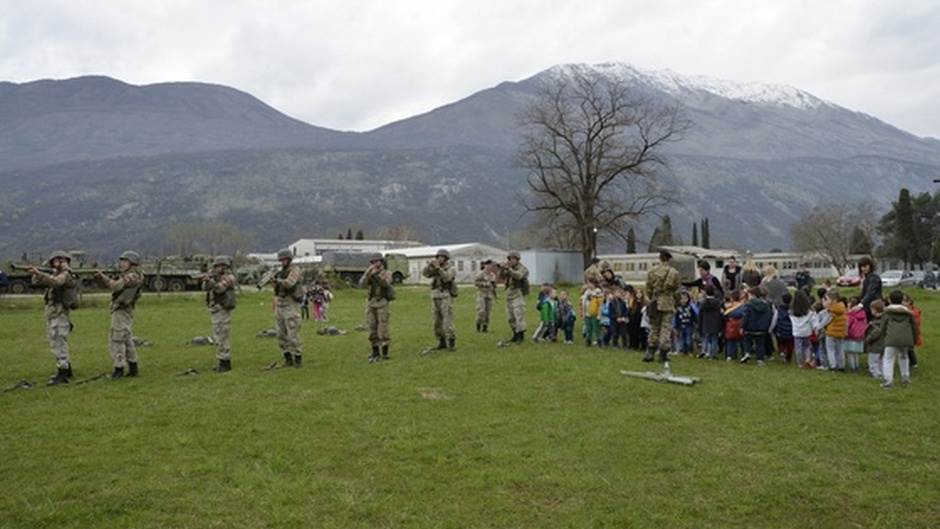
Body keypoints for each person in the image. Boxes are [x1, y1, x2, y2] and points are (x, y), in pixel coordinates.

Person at [29, 251, 78, 385]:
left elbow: (56, 283)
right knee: (57, 340)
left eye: (60, 261)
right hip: (54, 311)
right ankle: (66, 369)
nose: (57, 263)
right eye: (55, 261)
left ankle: (62, 373)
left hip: (60, 311)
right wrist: (37, 273)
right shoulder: (56, 273)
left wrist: (40, 273)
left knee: (58, 341)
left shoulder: (66, 274)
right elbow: (36, 283)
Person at [94, 251, 145, 379]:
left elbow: (115, 286)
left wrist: (102, 277)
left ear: (132, 263)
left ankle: (119, 368)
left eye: (125, 261)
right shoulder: (132, 275)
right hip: (124, 310)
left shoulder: (131, 276)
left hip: (122, 310)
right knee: (127, 339)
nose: (121, 264)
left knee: (117, 339)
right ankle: (133, 367)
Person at [644, 250, 681, 363]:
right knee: (666, 328)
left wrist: (652, 299)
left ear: (659, 258)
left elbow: (648, 288)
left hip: (655, 301)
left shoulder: (652, 271)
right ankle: (663, 354)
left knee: (654, 327)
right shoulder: (674, 272)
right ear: (669, 259)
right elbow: (677, 291)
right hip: (668, 302)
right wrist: (677, 302)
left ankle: (650, 352)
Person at [202, 255, 237, 372]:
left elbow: (219, 289)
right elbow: (205, 288)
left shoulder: (230, 277)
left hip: (223, 308)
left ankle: (225, 363)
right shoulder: (214, 276)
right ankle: (221, 361)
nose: (219, 268)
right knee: (217, 336)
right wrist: (206, 280)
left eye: (222, 266)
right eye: (217, 266)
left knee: (222, 335)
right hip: (214, 309)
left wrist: (211, 281)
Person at [271, 248, 304, 367]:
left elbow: (290, 283)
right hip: (280, 303)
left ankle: (297, 357)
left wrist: (277, 280)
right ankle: (287, 357)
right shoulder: (280, 271)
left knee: (293, 332)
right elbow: (276, 288)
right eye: (281, 260)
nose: (283, 262)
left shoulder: (295, 270)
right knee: (280, 333)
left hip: (290, 304)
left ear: (289, 259)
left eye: (285, 259)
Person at [359, 253, 393, 363]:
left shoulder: (387, 273)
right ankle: (375, 351)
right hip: (371, 303)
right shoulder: (369, 273)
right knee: (372, 327)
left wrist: (375, 276)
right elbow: (361, 284)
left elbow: (385, 284)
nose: (374, 264)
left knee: (383, 327)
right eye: (372, 262)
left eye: (376, 261)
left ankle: (385, 352)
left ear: (381, 262)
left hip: (382, 302)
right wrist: (367, 273)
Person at [880, 290, 918, 388]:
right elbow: (914, 326)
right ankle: (905, 379)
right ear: (902, 300)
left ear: (889, 300)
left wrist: (884, 337)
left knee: (888, 359)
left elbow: (883, 327)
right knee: (904, 357)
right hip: (906, 338)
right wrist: (914, 339)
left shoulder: (887, 313)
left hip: (891, 338)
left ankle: (888, 382)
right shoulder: (909, 313)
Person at [422, 249, 458, 351]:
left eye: (441, 257)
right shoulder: (435, 268)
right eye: (438, 257)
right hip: (435, 296)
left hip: (446, 296)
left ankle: (451, 342)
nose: (439, 259)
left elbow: (447, 278)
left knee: (447, 320)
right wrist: (429, 266)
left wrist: (439, 269)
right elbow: (425, 274)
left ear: (446, 258)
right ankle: (441, 341)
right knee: (436, 321)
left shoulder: (451, 268)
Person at [499, 251, 529, 344]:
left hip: (518, 293)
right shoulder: (509, 268)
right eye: (509, 259)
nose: (510, 261)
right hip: (509, 293)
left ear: (517, 259)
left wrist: (509, 269)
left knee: (518, 314)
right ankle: (515, 335)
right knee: (510, 316)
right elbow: (501, 277)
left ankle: (521, 336)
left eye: (512, 259)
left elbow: (518, 276)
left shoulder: (523, 268)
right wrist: (502, 269)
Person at [741, 286, 776, 366]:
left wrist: (742, 326)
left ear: (753, 295)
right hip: (761, 328)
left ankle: (747, 353)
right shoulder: (766, 305)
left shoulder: (748, 305)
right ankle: (760, 359)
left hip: (750, 327)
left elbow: (745, 316)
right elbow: (769, 316)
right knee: (760, 344)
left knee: (747, 341)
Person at [790, 289, 816, 368]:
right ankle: (807, 359)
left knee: (798, 347)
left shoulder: (791, 313)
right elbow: (813, 321)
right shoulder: (809, 312)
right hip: (806, 332)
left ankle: (800, 363)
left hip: (797, 332)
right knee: (807, 346)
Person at [696, 284, 723, 360]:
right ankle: (713, 354)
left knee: (706, 338)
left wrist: (699, 323)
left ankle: (705, 352)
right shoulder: (718, 302)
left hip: (705, 323)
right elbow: (720, 314)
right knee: (714, 339)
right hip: (715, 323)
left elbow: (700, 314)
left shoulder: (703, 303)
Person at [844, 296, 868, 374]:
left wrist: (844, 333)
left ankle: (853, 368)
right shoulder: (862, 313)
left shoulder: (850, 314)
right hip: (859, 336)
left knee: (850, 353)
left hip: (850, 336)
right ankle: (857, 367)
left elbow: (847, 325)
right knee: (856, 354)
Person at [474, 260, 498, 332]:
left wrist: (495, 294)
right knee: (481, 311)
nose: (489, 267)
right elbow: (475, 283)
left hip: (489, 295)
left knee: (488, 312)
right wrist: (485, 284)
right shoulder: (480, 274)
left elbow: (494, 286)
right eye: (488, 265)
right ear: (485, 265)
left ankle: (485, 328)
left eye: (491, 265)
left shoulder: (492, 275)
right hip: (481, 294)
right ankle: (478, 326)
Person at [864, 300, 886, 379]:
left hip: (875, 345)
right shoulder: (885, 319)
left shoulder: (876, 322)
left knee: (873, 361)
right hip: (883, 344)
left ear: (875, 310)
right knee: (881, 361)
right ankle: (882, 374)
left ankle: (876, 374)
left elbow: (876, 333)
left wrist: (868, 339)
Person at [723, 290, 747, 361]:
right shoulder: (743, 307)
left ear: (731, 298)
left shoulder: (728, 307)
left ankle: (730, 355)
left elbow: (725, 315)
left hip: (731, 325)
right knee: (743, 341)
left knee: (730, 340)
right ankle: (744, 354)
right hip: (741, 325)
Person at [902, 293, 922, 369]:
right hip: (904, 332)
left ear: (909, 302)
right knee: (906, 349)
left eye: (904, 301)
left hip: (912, 333)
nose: (902, 303)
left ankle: (914, 363)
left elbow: (917, 323)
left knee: (910, 349)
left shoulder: (914, 311)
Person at [673, 291, 697, 355]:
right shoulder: (678, 308)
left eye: (685, 298)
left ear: (688, 299)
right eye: (682, 298)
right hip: (680, 325)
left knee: (688, 339)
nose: (683, 300)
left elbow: (694, 316)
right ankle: (682, 350)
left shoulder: (690, 307)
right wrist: (675, 326)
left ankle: (689, 351)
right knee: (681, 338)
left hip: (689, 325)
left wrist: (695, 323)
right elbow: (676, 317)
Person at [773, 293, 794, 363]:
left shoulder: (778, 310)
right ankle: (788, 356)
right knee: (789, 344)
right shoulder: (793, 310)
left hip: (780, 329)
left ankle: (782, 352)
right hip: (791, 330)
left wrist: (771, 329)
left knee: (781, 342)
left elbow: (775, 320)